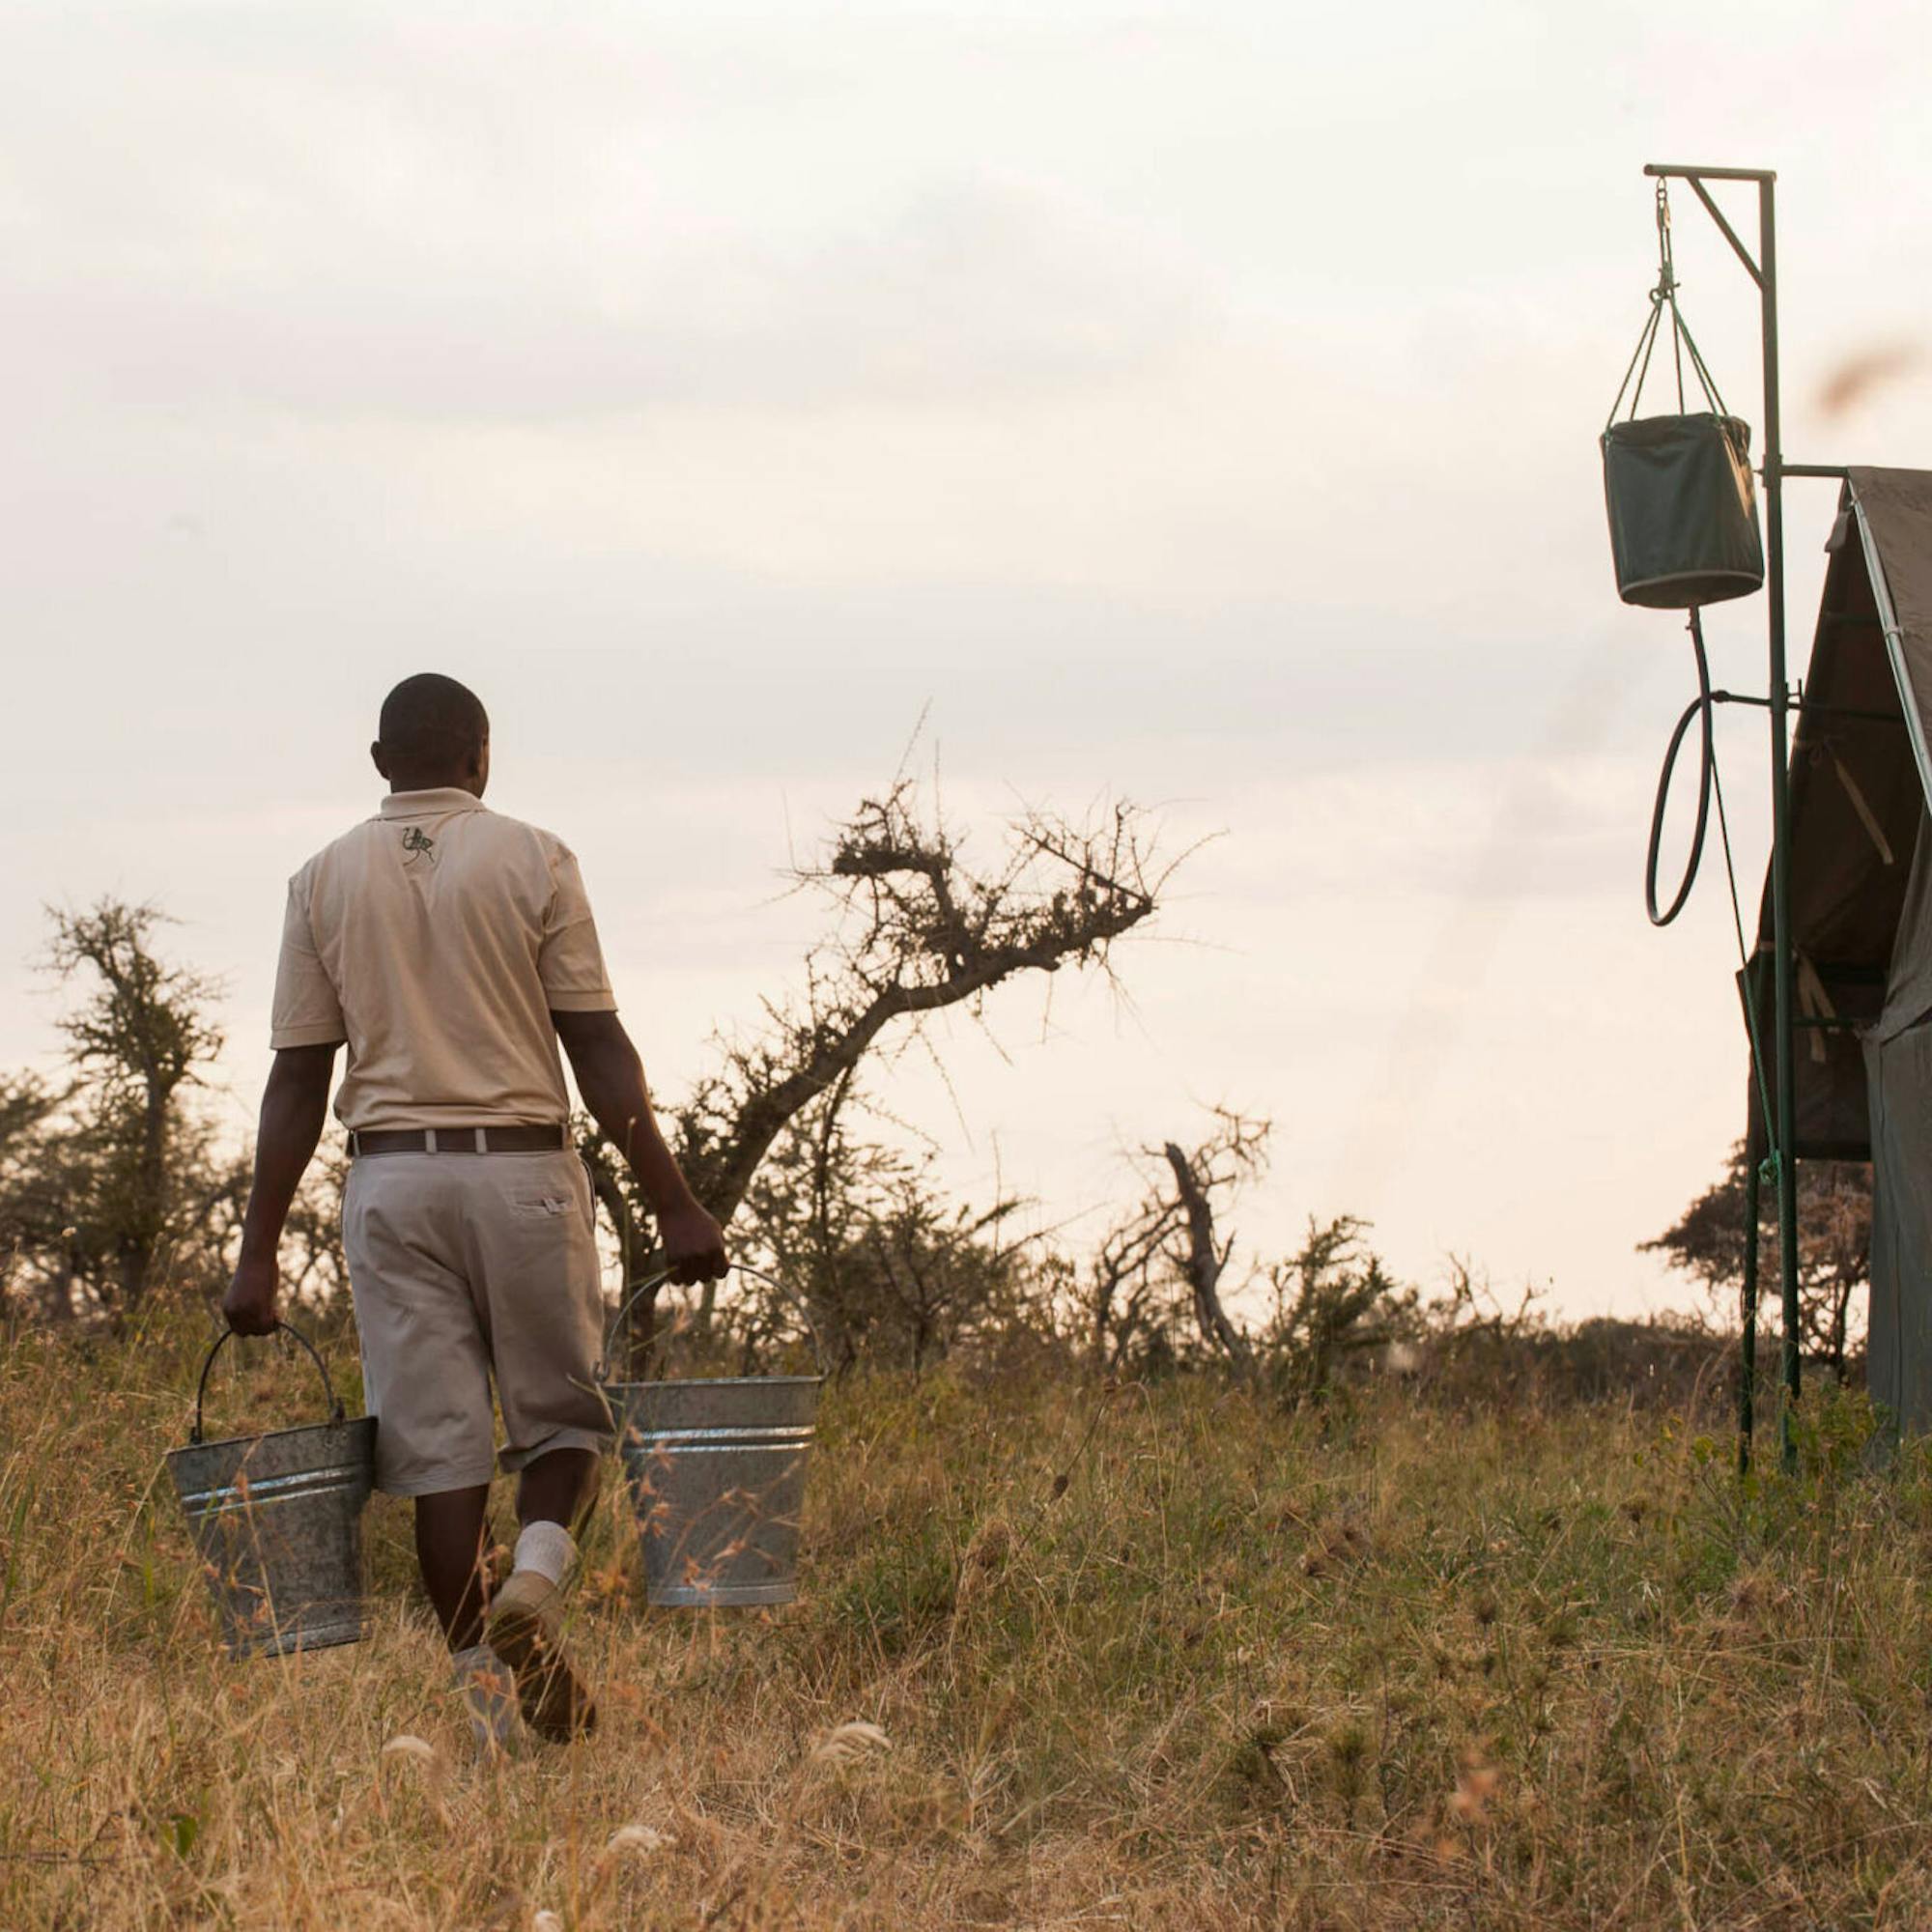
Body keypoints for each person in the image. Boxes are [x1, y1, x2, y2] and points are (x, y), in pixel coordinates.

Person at [222, 671, 727, 1750]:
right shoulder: (535, 857)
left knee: (435, 1459)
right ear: (480, 758)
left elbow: (296, 1081)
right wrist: (674, 1201)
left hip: (390, 1183)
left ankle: (492, 1724)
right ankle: (536, 1578)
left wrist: (256, 1252)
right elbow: (598, 1047)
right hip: (522, 1175)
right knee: (564, 1420)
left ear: (378, 762)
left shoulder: (319, 880)